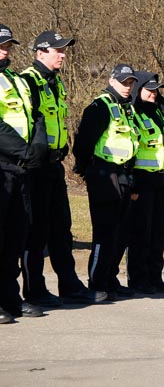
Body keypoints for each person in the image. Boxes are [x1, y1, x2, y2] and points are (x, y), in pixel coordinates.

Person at [20, 30, 91, 306]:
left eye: (64, 50)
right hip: (35, 167)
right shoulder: (29, 81)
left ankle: (69, 285)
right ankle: (34, 290)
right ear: (40, 53)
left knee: (62, 228)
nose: (62, 55)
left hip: (54, 166)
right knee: (35, 231)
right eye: (57, 50)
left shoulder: (56, 83)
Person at [72, 64, 140, 302]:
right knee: (104, 232)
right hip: (104, 175)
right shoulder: (100, 106)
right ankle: (97, 282)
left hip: (123, 176)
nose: (127, 87)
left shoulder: (127, 109)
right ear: (112, 81)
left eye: (131, 82)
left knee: (120, 233)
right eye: (123, 82)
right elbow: (82, 144)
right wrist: (89, 168)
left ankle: (110, 279)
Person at [0, 25, 46, 322]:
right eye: (2, 45)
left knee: (16, 237)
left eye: (8, 45)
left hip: (22, 170)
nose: (6, 50)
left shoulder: (17, 79)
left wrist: (38, 146)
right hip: (3, 166)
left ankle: (10, 299)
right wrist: (24, 151)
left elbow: (37, 115)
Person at [128, 71, 164, 294]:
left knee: (160, 231)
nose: (153, 94)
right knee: (142, 232)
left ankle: (154, 276)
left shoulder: (160, 114)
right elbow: (130, 149)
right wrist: (132, 185)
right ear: (138, 90)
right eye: (148, 90)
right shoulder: (133, 113)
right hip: (142, 182)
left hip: (162, 181)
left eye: (155, 90)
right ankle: (139, 279)